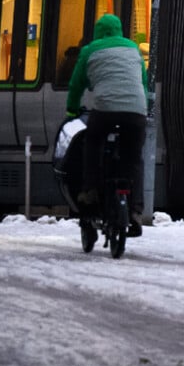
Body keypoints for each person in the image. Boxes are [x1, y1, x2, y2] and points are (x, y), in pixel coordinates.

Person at [66, 14, 148, 238]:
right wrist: (144, 107)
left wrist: (72, 109)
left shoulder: (89, 50)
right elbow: (143, 81)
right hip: (135, 112)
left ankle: (90, 191)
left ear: (98, 32)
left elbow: (76, 84)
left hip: (105, 113)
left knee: (92, 144)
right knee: (134, 159)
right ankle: (136, 211)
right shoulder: (133, 49)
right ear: (120, 30)